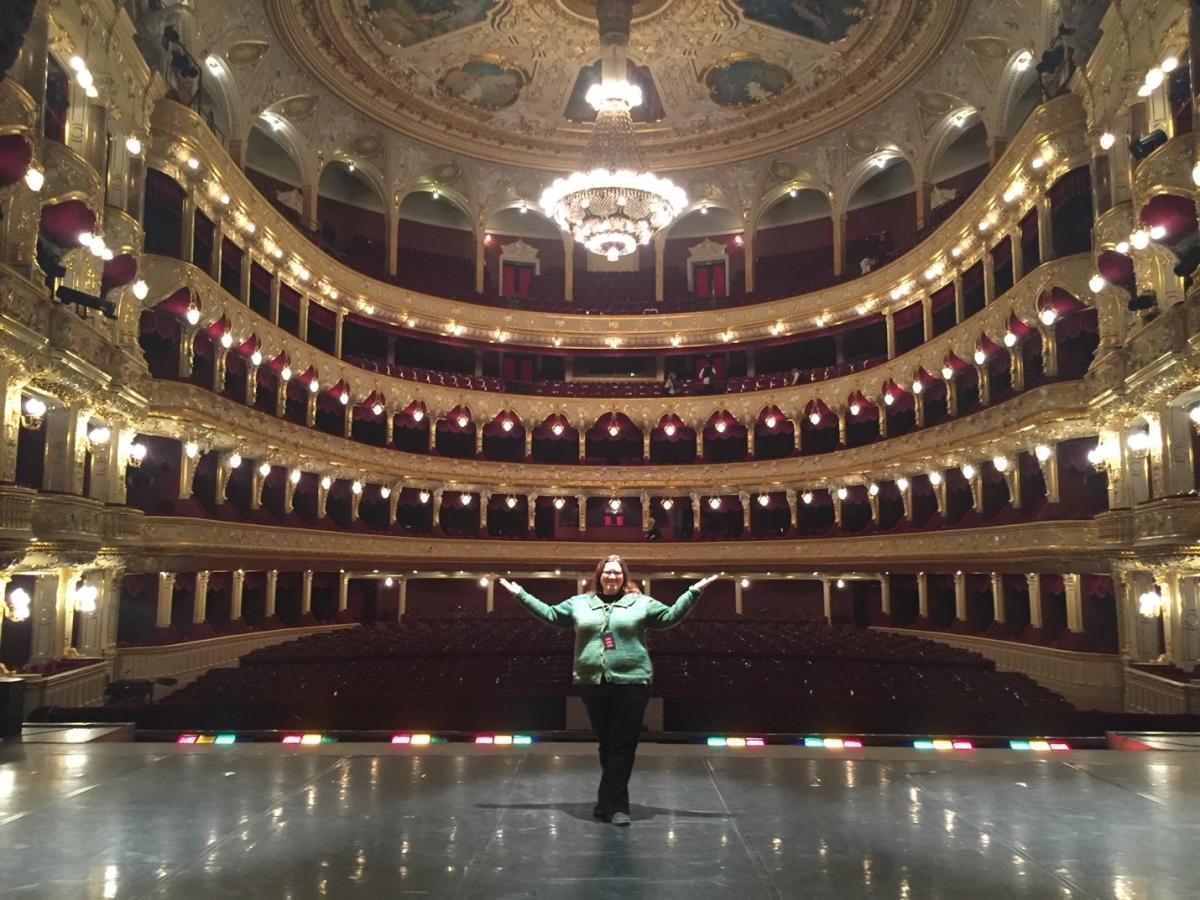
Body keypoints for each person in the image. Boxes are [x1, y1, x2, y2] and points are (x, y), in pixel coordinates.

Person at [498, 558, 718, 826]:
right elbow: (552, 616)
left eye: (617, 572)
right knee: (607, 743)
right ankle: (606, 802)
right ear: (599, 575)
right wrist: (521, 594)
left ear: (624, 577)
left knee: (622, 745)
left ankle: (617, 806)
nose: (612, 576)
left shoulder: (641, 603)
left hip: (632, 681)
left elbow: (669, 617)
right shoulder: (580, 603)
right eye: (607, 571)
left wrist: (693, 592)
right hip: (592, 682)